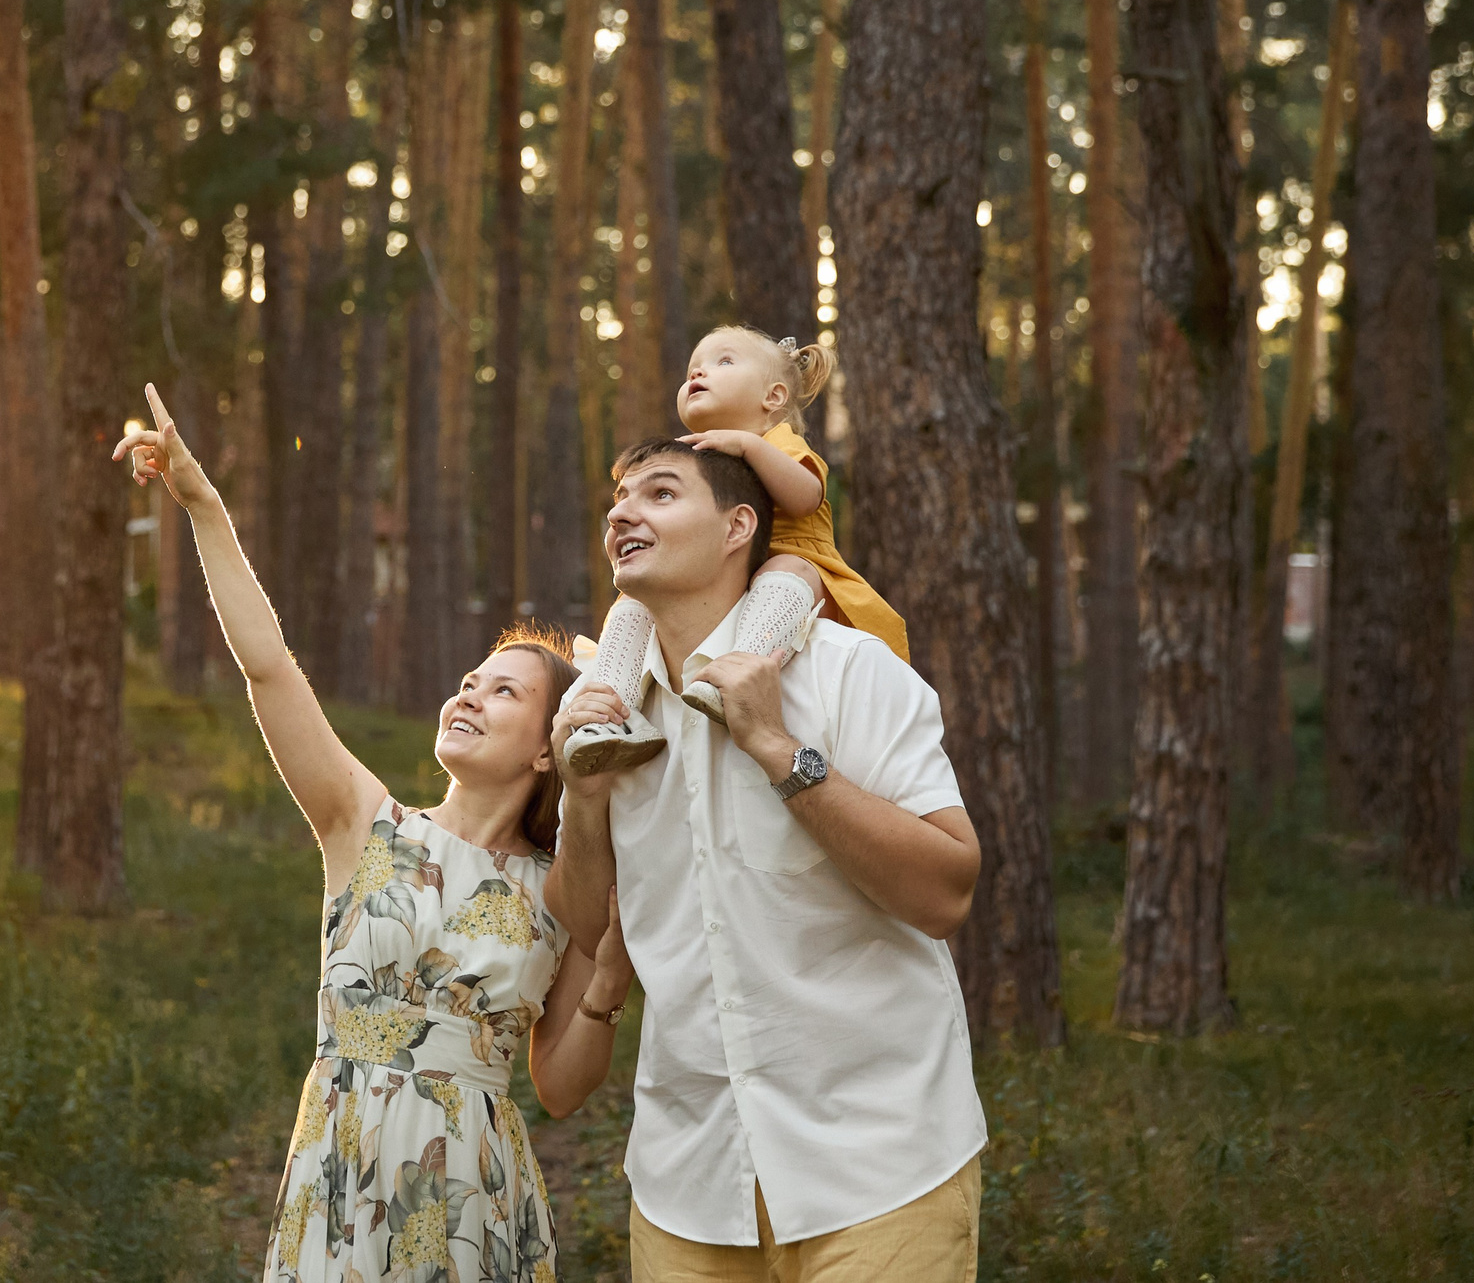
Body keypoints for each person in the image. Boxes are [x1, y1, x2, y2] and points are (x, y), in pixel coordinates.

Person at [113, 384, 633, 1283]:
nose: (469, 693)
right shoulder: (366, 823)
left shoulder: (566, 886)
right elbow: (270, 667)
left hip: (474, 1193)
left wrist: (609, 983)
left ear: (549, 749)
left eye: (504, 691)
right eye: (469, 680)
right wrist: (203, 508)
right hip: (341, 1172)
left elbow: (560, 1088)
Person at [542, 438, 986, 1281]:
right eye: (619, 499)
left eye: (660, 494)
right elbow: (585, 922)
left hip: (881, 1167)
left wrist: (777, 747)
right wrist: (585, 796)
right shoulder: (603, 712)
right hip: (687, 1184)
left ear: (738, 527)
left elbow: (946, 893)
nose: (622, 513)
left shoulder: (851, 673)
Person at [562, 325, 912, 776]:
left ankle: (739, 670)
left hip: (796, 570)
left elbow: (806, 497)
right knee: (631, 603)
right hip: (729, 576)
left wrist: (749, 447)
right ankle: (612, 711)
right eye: (692, 369)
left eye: (723, 362)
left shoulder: (777, 441)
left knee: (787, 567)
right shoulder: (700, 461)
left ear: (773, 397)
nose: (698, 373)